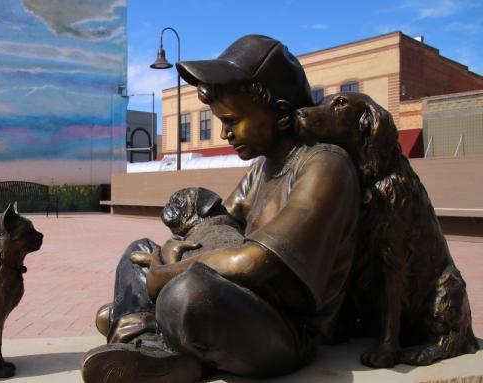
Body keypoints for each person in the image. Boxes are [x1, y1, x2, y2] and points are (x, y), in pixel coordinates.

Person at [81, 35, 361, 383]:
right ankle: (154, 344)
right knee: (138, 252)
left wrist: (164, 275)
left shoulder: (325, 166)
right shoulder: (261, 169)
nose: (225, 132)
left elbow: (254, 263)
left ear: (281, 114)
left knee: (189, 295)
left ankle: (147, 329)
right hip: (242, 300)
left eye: (232, 120)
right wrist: (173, 250)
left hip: (286, 328)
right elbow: (218, 228)